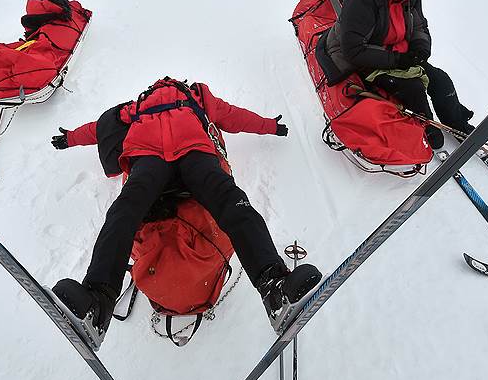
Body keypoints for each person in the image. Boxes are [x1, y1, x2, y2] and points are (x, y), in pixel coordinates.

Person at [47, 77, 322, 348]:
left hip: (186, 154)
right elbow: (99, 129)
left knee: (228, 200)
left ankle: (274, 287)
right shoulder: (141, 107)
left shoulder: (196, 97)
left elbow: (234, 116)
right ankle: (97, 303)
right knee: (127, 209)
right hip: (155, 158)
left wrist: (270, 126)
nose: (162, 85)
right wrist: (71, 138)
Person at [316, 0, 475, 149]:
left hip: (397, 54)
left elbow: (419, 26)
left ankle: (456, 123)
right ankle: (426, 128)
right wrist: (397, 60)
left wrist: (421, 48)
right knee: (413, 88)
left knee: (441, 79)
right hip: (366, 59)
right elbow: (354, 49)